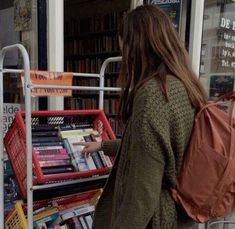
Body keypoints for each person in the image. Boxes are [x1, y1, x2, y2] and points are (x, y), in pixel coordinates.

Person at [79, 5, 207, 229]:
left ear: (135, 46)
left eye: (124, 47)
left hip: (157, 219)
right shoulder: (186, 85)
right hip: (181, 216)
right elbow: (152, 150)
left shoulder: (153, 95)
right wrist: (102, 145)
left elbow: (142, 193)